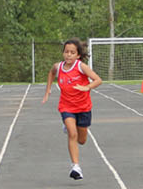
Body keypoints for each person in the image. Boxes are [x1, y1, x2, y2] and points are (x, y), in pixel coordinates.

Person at [40, 38, 103, 180]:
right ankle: (76, 166)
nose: (69, 55)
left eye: (72, 52)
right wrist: (48, 90)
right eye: (66, 52)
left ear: (78, 55)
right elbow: (51, 73)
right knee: (72, 134)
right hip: (66, 106)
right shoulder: (58, 67)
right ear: (63, 53)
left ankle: (70, 127)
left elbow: (98, 80)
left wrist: (86, 87)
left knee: (82, 140)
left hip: (83, 107)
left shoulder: (81, 67)